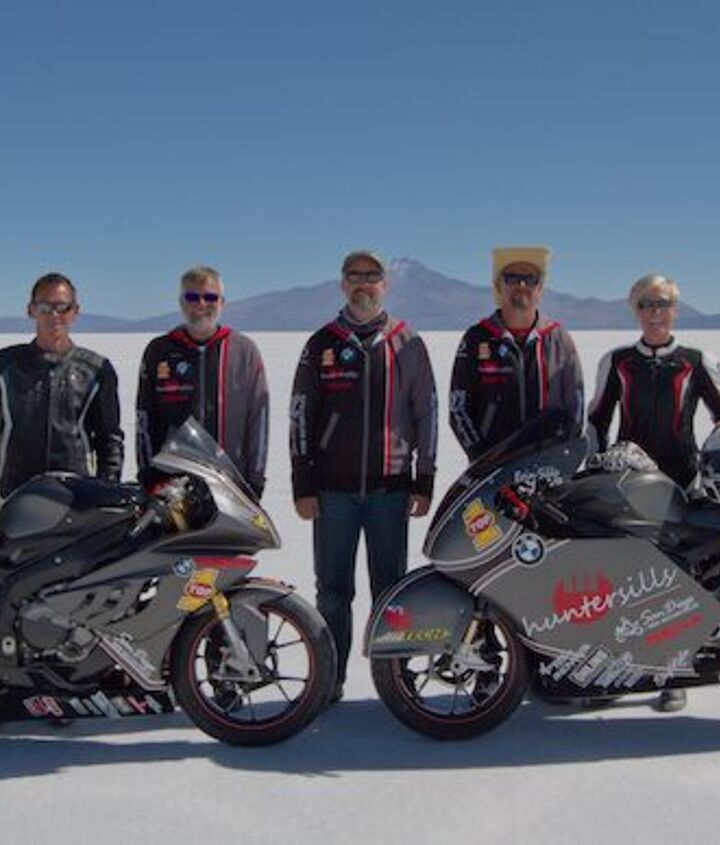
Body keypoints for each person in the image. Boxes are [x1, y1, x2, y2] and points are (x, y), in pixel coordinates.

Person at [290, 251, 438, 700]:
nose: (363, 283)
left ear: (385, 285)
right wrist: (302, 484)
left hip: (390, 490)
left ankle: (394, 680)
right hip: (332, 493)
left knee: (391, 591)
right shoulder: (322, 343)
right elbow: (300, 416)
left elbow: (426, 412)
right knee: (333, 592)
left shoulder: (407, 342)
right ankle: (330, 680)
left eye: (372, 276)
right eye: (355, 276)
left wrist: (424, 478)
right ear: (342, 284)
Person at [588, 273, 720, 713]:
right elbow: (596, 421)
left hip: (681, 484)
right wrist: (591, 468)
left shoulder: (696, 361)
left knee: (678, 581)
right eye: (646, 304)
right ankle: (615, 670)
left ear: (675, 309)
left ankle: (673, 672)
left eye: (662, 304)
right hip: (626, 485)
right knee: (625, 581)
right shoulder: (618, 362)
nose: (655, 312)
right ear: (636, 311)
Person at [136, 265, 269, 498]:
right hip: (172, 487)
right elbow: (144, 417)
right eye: (192, 297)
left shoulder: (243, 351)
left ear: (222, 302)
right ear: (181, 302)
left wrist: (255, 480)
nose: (201, 304)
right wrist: (149, 474)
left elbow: (259, 419)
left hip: (231, 485)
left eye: (210, 297)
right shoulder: (160, 351)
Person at [450, 246, 583, 460]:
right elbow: (459, 409)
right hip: (493, 469)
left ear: (540, 288)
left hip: (548, 467)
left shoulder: (558, 339)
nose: (521, 285)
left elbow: (575, 407)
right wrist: (481, 457)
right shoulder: (477, 338)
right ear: (498, 286)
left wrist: (563, 455)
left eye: (530, 279)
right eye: (511, 278)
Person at [0, 272, 124, 499]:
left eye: (63, 308)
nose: (54, 316)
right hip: (14, 496)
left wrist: (106, 493)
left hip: (75, 498)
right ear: (31, 310)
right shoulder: (6, 366)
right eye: (45, 307)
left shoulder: (96, 370)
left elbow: (110, 440)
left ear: (75, 311)